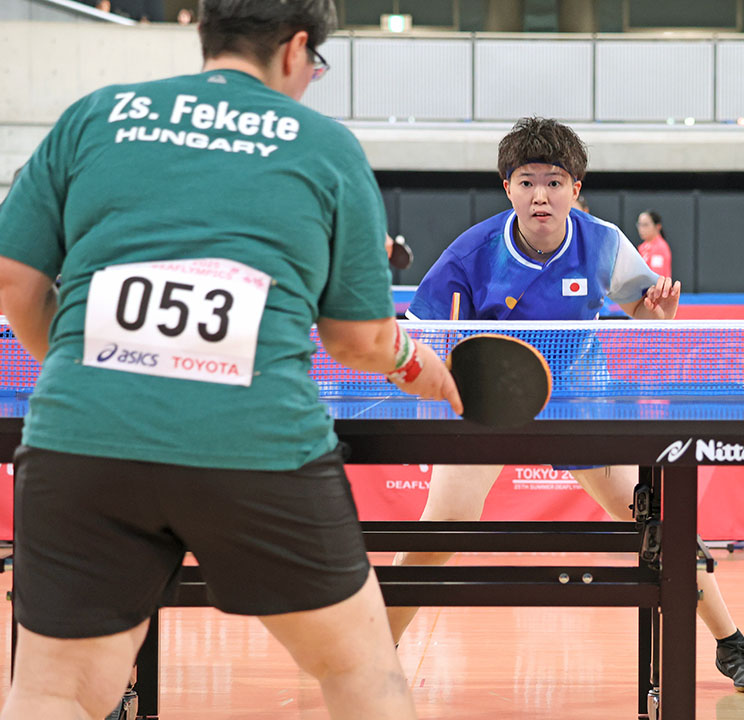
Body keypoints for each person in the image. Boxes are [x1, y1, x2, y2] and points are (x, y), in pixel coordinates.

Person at [0, 1, 463, 718]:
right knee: (362, 679)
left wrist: (94, 364)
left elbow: (15, 284)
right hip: (256, 448)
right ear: (296, 49)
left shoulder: (95, 116)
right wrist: (415, 364)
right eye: (316, 65)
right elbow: (358, 339)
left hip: (80, 441)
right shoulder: (323, 146)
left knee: (54, 693)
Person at [397, 116, 744, 693]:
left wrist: (658, 316)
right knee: (444, 526)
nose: (541, 195)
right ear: (507, 187)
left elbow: (647, 313)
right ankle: (376, 652)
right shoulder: (471, 253)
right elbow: (416, 337)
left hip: (578, 396)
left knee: (652, 521)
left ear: (575, 190)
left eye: (555, 182)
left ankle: (731, 644)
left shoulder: (602, 241)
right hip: (486, 402)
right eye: (527, 181)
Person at [635, 209, 672, 278]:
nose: (641, 229)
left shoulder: (660, 247)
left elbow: (657, 276)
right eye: (639, 225)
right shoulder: (642, 247)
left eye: (645, 225)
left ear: (657, 226)